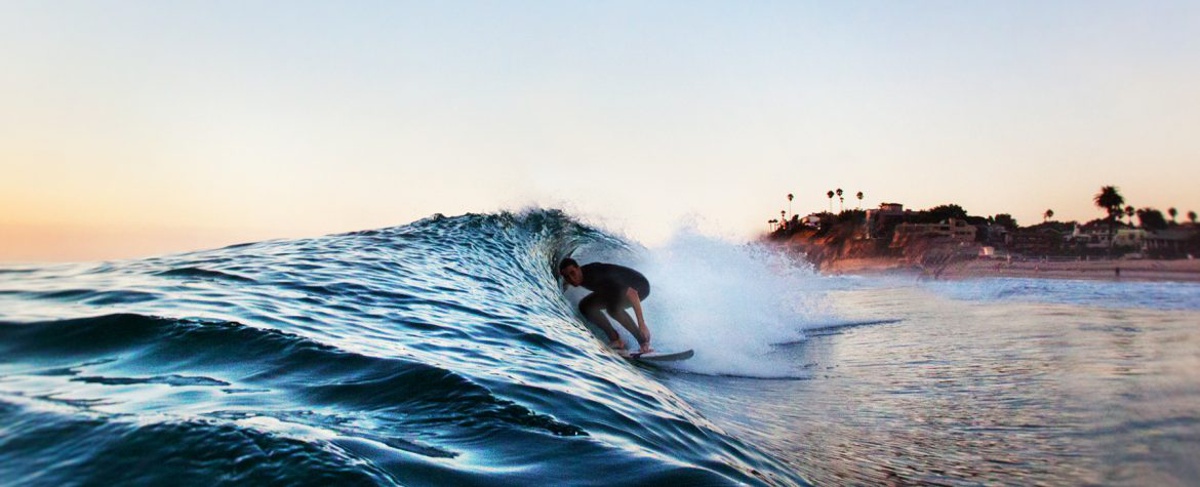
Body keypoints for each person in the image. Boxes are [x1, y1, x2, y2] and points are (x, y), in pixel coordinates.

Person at [558, 258, 653, 354]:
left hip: (640, 286)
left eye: (573, 273)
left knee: (613, 309)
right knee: (585, 307)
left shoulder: (597, 276)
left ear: (578, 269)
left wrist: (642, 324)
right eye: (567, 277)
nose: (572, 279)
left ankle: (643, 342)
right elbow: (570, 276)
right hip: (614, 290)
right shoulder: (580, 275)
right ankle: (616, 340)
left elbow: (632, 293)